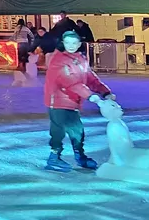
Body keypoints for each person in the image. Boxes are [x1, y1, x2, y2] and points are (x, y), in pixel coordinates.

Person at [43, 30, 113, 172]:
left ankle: (80, 156)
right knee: (58, 131)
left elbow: (90, 77)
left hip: (73, 102)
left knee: (77, 131)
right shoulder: (58, 60)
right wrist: (91, 96)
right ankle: (54, 157)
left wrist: (105, 92)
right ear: (63, 43)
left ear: (79, 44)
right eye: (67, 42)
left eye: (74, 43)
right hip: (57, 101)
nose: (71, 45)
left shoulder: (80, 58)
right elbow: (70, 82)